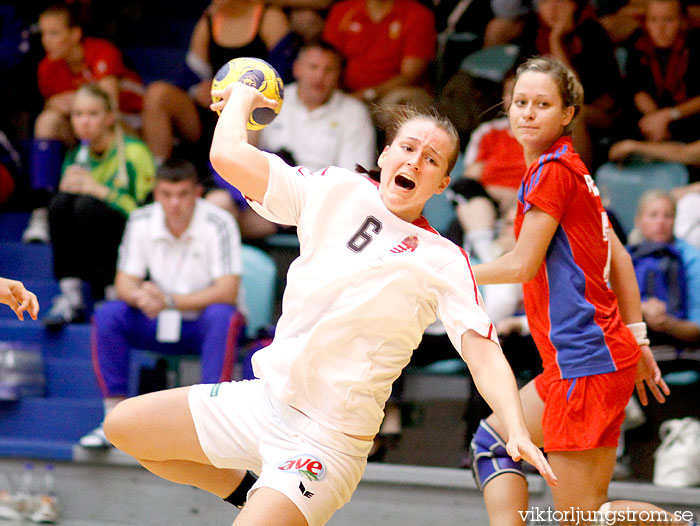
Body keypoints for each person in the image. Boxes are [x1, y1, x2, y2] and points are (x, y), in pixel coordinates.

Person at [102, 82, 557, 524]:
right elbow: (226, 156)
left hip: (326, 441)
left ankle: (277, 499)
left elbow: (484, 353)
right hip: (264, 401)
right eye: (408, 148)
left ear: (441, 184)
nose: (416, 161)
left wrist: (515, 426)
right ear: (384, 155)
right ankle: (247, 492)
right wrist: (241, 96)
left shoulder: (443, 259)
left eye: (432, 159)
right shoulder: (333, 189)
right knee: (124, 427)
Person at [470, 56, 685, 526]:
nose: (527, 112)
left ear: (567, 113)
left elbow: (523, 264)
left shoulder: (553, 173)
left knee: (580, 518)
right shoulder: (570, 168)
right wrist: (638, 340)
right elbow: (621, 259)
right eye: (520, 102)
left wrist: (446, 269)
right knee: (492, 444)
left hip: (583, 363)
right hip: (587, 359)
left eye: (542, 104)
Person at [79, 157, 244, 449]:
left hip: (201, 323)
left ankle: (210, 423)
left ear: (196, 193)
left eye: (182, 194)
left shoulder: (219, 222)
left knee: (223, 316)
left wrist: (168, 301)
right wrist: (141, 296)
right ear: (156, 193)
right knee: (109, 314)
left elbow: (227, 291)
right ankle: (113, 420)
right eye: (166, 195)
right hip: (156, 318)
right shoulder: (141, 219)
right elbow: (124, 283)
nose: (174, 203)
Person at [22, 2, 144, 244]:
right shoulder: (46, 68)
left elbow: (109, 110)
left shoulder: (102, 53)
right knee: (47, 121)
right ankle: (42, 209)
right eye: (43, 33)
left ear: (75, 33)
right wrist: (58, 104)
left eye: (54, 33)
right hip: (85, 128)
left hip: (126, 124)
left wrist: (74, 102)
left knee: (90, 117)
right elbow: (54, 107)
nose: (46, 40)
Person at [43, 84, 155, 328]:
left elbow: (148, 215)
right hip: (88, 244)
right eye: (78, 114)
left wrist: (102, 191)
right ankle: (70, 294)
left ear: (110, 117)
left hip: (128, 244)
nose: (84, 122)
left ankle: (113, 292)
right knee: (60, 204)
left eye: (93, 114)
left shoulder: (134, 153)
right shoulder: (75, 155)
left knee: (87, 206)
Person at [140, 0, 291, 174]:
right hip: (213, 110)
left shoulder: (269, 17)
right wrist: (198, 91)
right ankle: (161, 177)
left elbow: (284, 78)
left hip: (257, 111)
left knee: (251, 107)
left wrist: (240, 94)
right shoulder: (210, 21)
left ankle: (240, 182)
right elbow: (189, 78)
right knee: (157, 94)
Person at [515, 0, 623, 169]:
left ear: (573, 5)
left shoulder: (592, 32)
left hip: (597, 112)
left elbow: (575, 93)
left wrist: (556, 41)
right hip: (547, 106)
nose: (551, 9)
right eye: (544, 3)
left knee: (570, 115)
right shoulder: (533, 30)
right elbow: (518, 77)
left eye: (558, 2)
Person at [257, 41, 376, 173]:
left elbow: (356, 178)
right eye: (313, 67)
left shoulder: (354, 113)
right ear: (296, 69)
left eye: (329, 69)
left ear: (339, 74)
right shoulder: (270, 99)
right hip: (267, 182)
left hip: (324, 190)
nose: (320, 76)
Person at [321, 0, 437, 121]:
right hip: (346, 92)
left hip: (390, 94)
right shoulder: (342, 10)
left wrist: (368, 94)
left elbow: (412, 75)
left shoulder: (418, 14)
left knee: (404, 105)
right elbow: (327, 59)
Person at [620, 0, 700, 145]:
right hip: (651, 119)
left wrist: (669, 115)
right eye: (653, 20)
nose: (660, 28)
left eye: (668, 20)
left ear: (682, 21)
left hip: (688, 118)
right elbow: (636, 89)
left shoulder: (695, 44)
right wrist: (656, 119)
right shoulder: (639, 42)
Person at [628, 189, 700, 347]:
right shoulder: (626, 255)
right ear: (638, 221)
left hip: (679, 345)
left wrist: (667, 323)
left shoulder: (691, 258)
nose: (660, 222)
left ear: (675, 221)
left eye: (668, 216)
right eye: (653, 215)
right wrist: (643, 308)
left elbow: (697, 327)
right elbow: (606, 305)